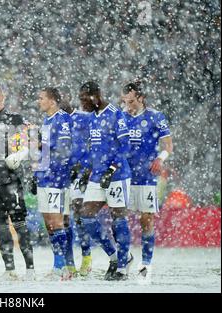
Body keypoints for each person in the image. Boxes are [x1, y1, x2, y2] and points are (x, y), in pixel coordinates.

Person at [78, 81, 134, 281]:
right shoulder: (92, 118)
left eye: (85, 99)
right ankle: (114, 255)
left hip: (117, 175)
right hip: (97, 175)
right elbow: (95, 150)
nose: (82, 103)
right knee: (86, 216)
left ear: (96, 95)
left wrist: (111, 169)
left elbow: (125, 146)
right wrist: (88, 170)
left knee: (119, 218)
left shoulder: (116, 114)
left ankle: (121, 266)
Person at [0, 84, 35, 281]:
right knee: (0, 226)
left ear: (1, 99)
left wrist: (20, 154)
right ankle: (10, 269)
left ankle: (30, 270)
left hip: (10, 180)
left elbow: (31, 142)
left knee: (19, 224)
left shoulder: (15, 119)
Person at [121, 81, 173, 282]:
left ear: (141, 98)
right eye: (125, 101)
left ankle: (146, 263)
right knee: (120, 218)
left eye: (132, 101)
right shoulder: (121, 116)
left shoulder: (155, 116)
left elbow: (168, 145)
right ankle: (124, 258)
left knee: (146, 219)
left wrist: (160, 158)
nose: (128, 106)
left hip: (146, 176)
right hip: (123, 176)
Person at [34, 88, 73, 280]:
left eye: (41, 98)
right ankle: (59, 264)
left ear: (52, 101)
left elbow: (64, 149)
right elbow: (45, 151)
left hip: (56, 177)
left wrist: (43, 146)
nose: (38, 101)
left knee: (57, 221)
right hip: (44, 176)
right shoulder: (46, 121)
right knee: (48, 223)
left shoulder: (62, 119)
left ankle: (62, 267)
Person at [68, 98, 93, 277]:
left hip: (81, 173)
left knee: (78, 214)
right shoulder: (51, 120)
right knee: (60, 219)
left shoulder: (85, 118)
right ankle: (67, 264)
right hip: (61, 174)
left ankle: (86, 256)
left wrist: (87, 168)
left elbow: (97, 142)